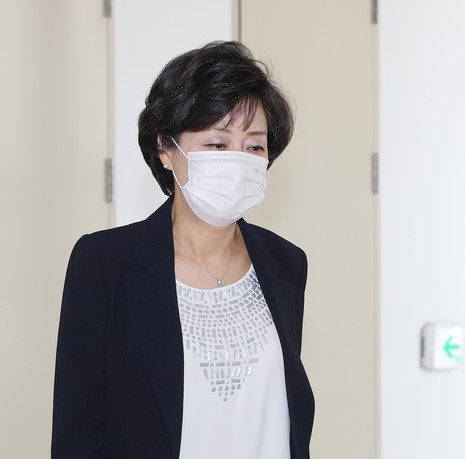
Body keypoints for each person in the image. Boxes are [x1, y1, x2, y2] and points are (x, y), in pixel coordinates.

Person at [51, 41, 314, 459]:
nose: (238, 161)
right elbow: (77, 430)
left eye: (254, 146)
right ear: (165, 148)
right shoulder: (104, 263)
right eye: (217, 144)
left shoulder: (285, 263)